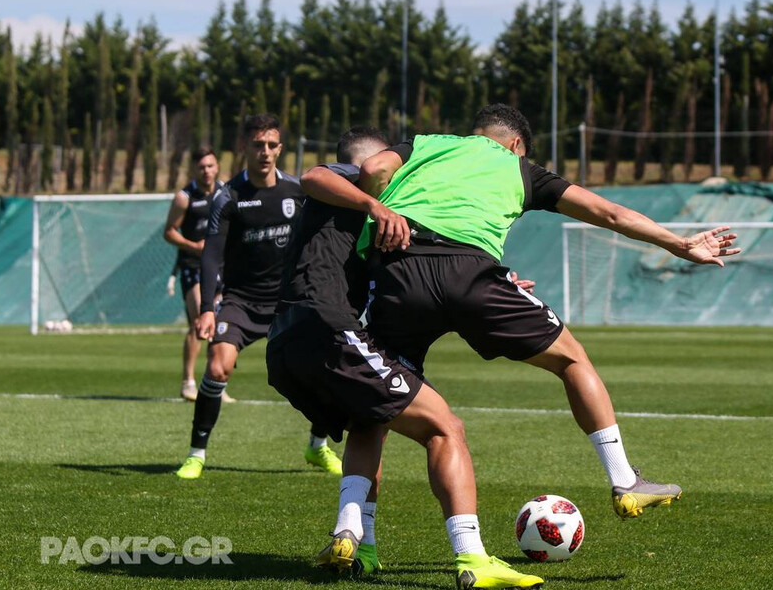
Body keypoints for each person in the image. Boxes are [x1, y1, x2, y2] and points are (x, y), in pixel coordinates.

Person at [306, 104, 741, 523]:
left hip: (399, 275)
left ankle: (353, 531)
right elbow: (609, 212)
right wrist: (678, 244)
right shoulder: (519, 168)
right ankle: (625, 480)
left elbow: (373, 170)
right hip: (469, 273)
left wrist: (383, 213)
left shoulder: (427, 145)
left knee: (376, 408)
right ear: (516, 144)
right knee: (571, 360)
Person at [267, 126, 543, 589]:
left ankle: (355, 540)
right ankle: (472, 558)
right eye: (392, 165)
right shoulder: (351, 183)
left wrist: (498, 279)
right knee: (445, 427)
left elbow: (431, 254)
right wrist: (375, 200)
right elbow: (313, 175)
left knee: (369, 418)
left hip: (288, 343)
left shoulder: (363, 216)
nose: (398, 173)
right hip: (326, 328)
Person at [175, 114, 341, 480]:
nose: (265, 152)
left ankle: (317, 446)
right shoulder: (228, 196)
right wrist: (206, 309)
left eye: (271, 145)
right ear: (244, 148)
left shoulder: (298, 191)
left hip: (289, 301)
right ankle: (196, 454)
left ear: (280, 148)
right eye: (257, 145)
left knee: (327, 366)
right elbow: (211, 254)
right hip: (241, 301)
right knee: (218, 366)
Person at [163, 148, 225, 401]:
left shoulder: (226, 193)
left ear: (217, 167)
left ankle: (215, 383)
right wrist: (194, 247)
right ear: (194, 170)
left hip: (221, 267)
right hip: (192, 266)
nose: (207, 171)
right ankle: (188, 382)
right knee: (200, 319)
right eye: (201, 167)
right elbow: (169, 232)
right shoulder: (184, 198)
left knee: (219, 324)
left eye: (210, 166)